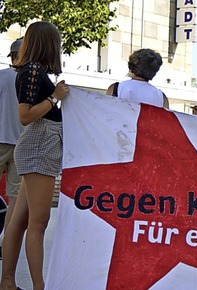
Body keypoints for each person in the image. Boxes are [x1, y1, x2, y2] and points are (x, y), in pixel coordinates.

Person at [0, 21, 70, 290]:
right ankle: (39, 286)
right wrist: (54, 98)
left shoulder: (33, 70)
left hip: (38, 144)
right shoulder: (32, 71)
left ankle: (8, 281)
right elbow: (25, 115)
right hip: (40, 144)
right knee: (38, 222)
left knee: (20, 221)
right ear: (48, 44)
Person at [0, 39, 24, 251]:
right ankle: (6, 242)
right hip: (21, 144)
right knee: (14, 198)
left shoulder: (1, 77)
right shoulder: (30, 80)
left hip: (0, 140)